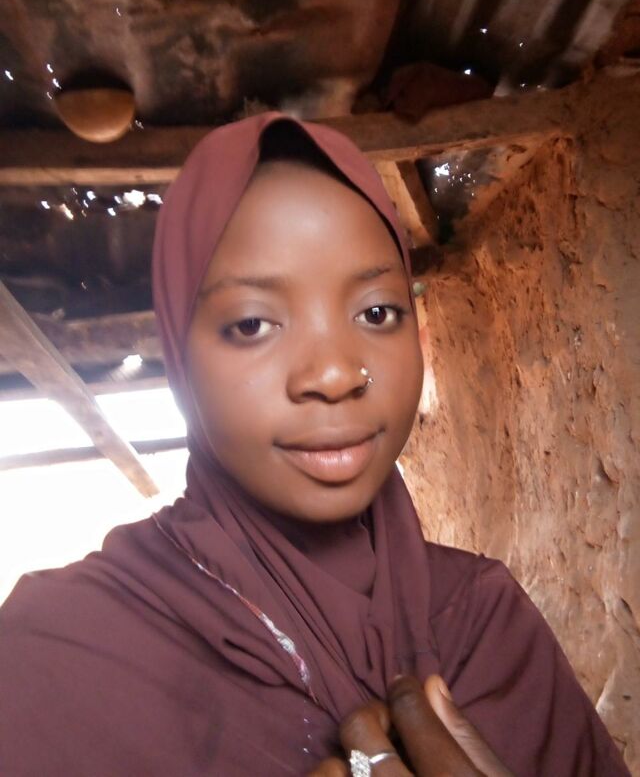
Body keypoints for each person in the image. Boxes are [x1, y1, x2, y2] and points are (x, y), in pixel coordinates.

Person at [0, 113, 628, 776]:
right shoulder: (56, 658)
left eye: (377, 312)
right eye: (252, 324)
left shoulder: (485, 621)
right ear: (180, 357)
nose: (333, 373)